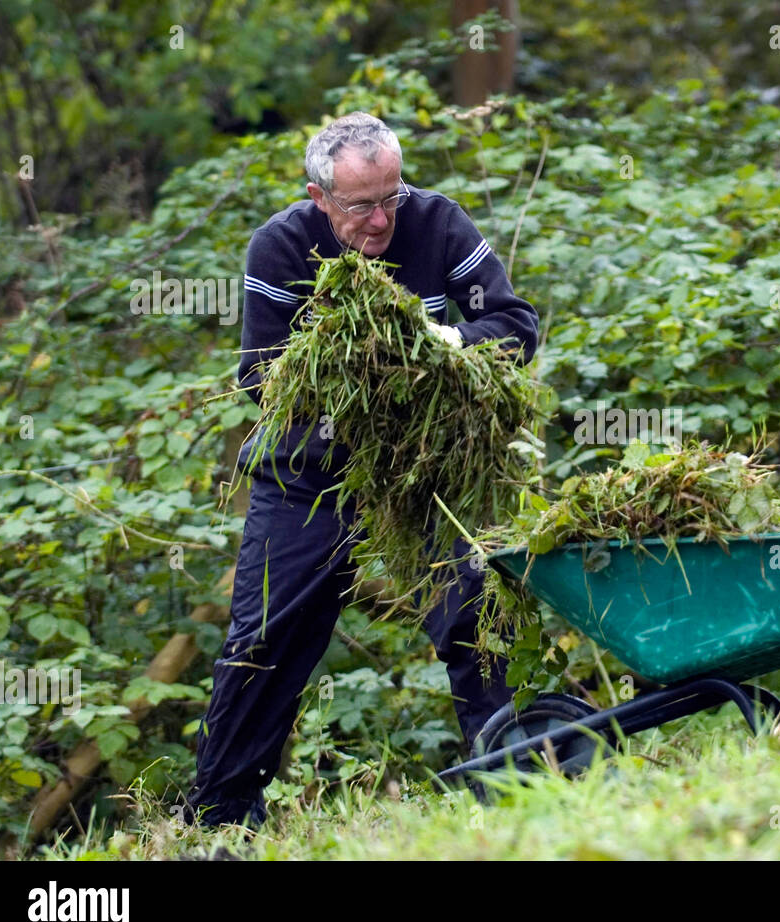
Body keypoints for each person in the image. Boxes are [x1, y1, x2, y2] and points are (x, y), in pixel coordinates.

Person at [186, 112, 538, 827]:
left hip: (427, 467)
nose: (380, 220)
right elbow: (261, 378)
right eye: (360, 205)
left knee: (475, 612)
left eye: (391, 197)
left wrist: (449, 339)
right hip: (308, 473)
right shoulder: (281, 246)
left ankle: (512, 793)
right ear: (320, 198)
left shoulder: (437, 223)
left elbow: (516, 329)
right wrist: (360, 367)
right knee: (264, 642)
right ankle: (220, 817)